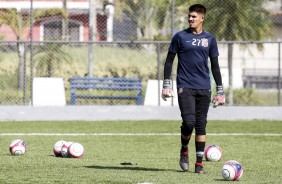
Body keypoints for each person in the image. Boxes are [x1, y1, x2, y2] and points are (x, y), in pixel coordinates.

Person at [162, 4, 225, 174]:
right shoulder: (180, 37)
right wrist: (166, 84)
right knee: (189, 122)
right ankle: (184, 149)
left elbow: (215, 66)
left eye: (194, 17)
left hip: (204, 87)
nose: (190, 19)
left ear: (202, 18)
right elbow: (169, 61)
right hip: (185, 85)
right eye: (189, 16)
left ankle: (199, 164)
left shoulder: (210, 39)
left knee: (201, 124)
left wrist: (220, 91)